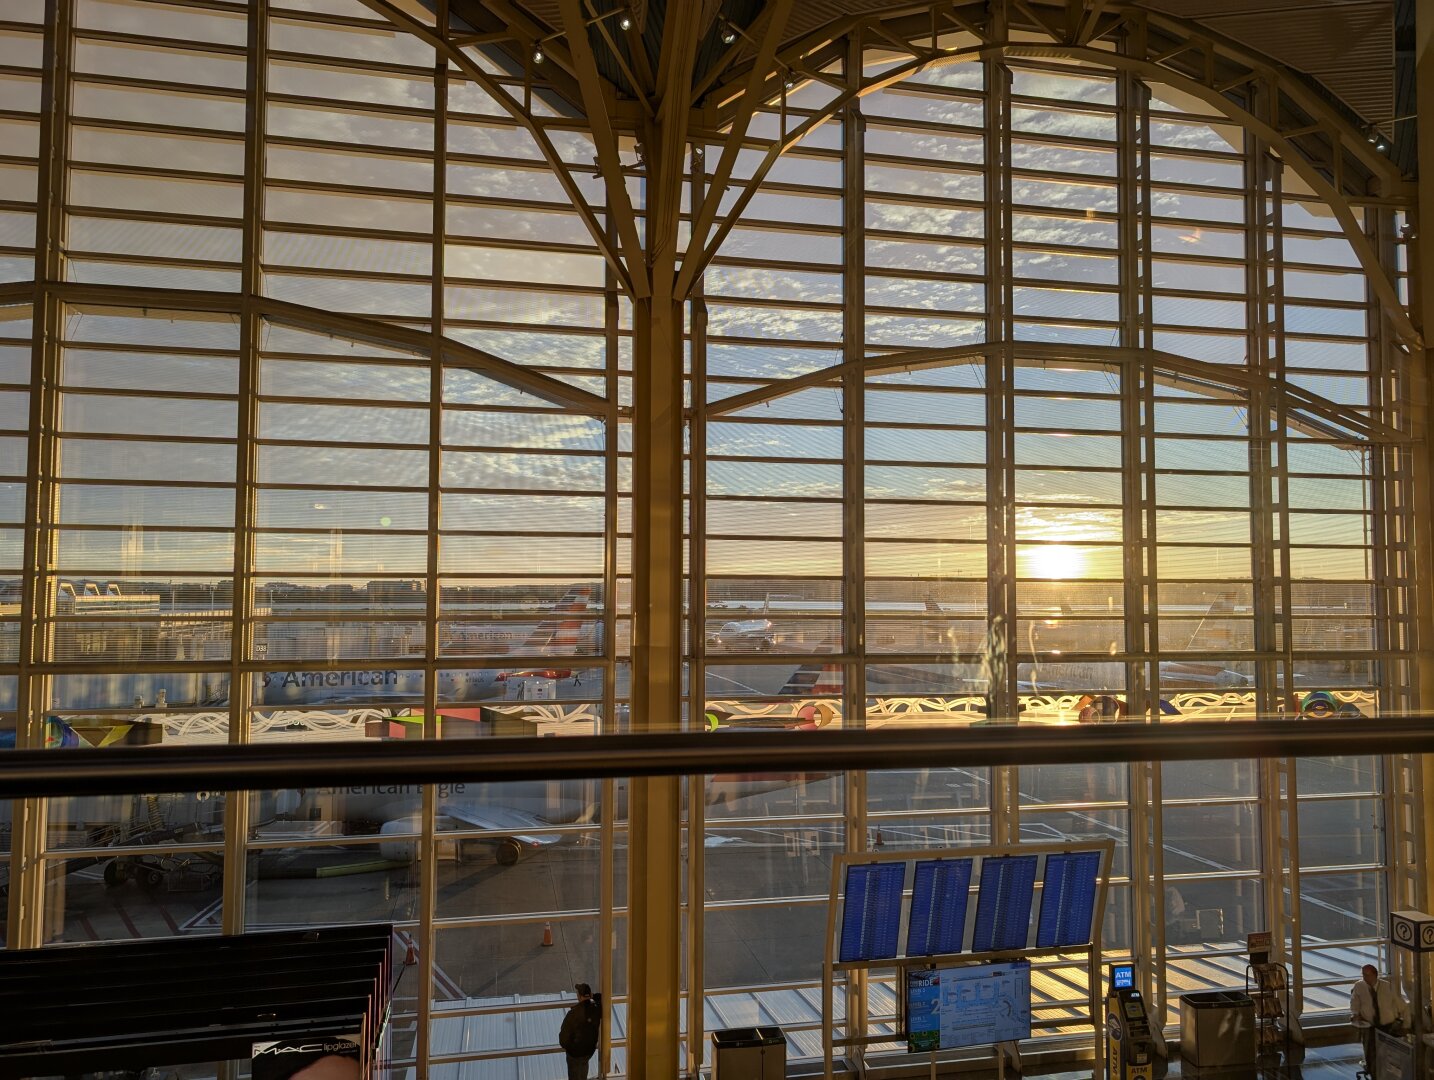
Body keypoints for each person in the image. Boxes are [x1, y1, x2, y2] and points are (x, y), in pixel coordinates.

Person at [1350, 964, 1409, 1070]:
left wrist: (1406, 1025)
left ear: (1375, 975)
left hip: (1387, 1025)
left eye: (1367, 975)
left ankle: (1385, 1071)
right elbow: (1354, 1003)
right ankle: (1373, 1072)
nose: (1365, 977)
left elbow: (1402, 1006)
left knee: (1387, 1053)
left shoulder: (1387, 986)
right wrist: (1355, 1014)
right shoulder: (1359, 986)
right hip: (1369, 1025)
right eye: (1363, 974)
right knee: (1370, 1053)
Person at [559, 982, 602, 1080]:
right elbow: (602, 998)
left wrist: (570, 1048)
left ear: (579, 996)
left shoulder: (572, 1014)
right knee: (583, 1070)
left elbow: (562, 1040)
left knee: (574, 1075)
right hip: (588, 1051)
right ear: (589, 995)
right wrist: (593, 996)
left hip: (574, 1054)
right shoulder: (597, 1009)